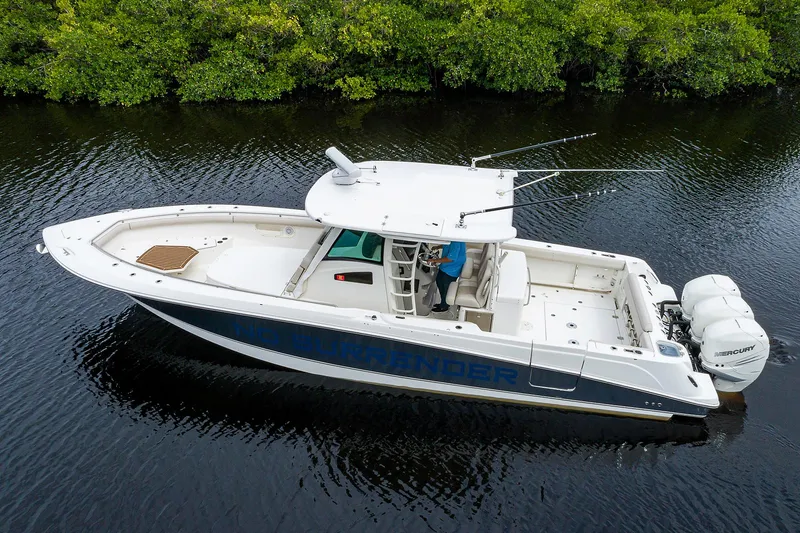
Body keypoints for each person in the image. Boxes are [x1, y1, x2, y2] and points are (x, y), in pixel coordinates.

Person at [428, 241, 466, 313]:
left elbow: (450, 258)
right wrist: (438, 247)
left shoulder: (456, 242)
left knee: (446, 288)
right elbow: (447, 244)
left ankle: (444, 307)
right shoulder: (451, 237)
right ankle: (443, 302)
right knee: (439, 280)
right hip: (446, 266)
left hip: (452, 269)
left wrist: (434, 260)